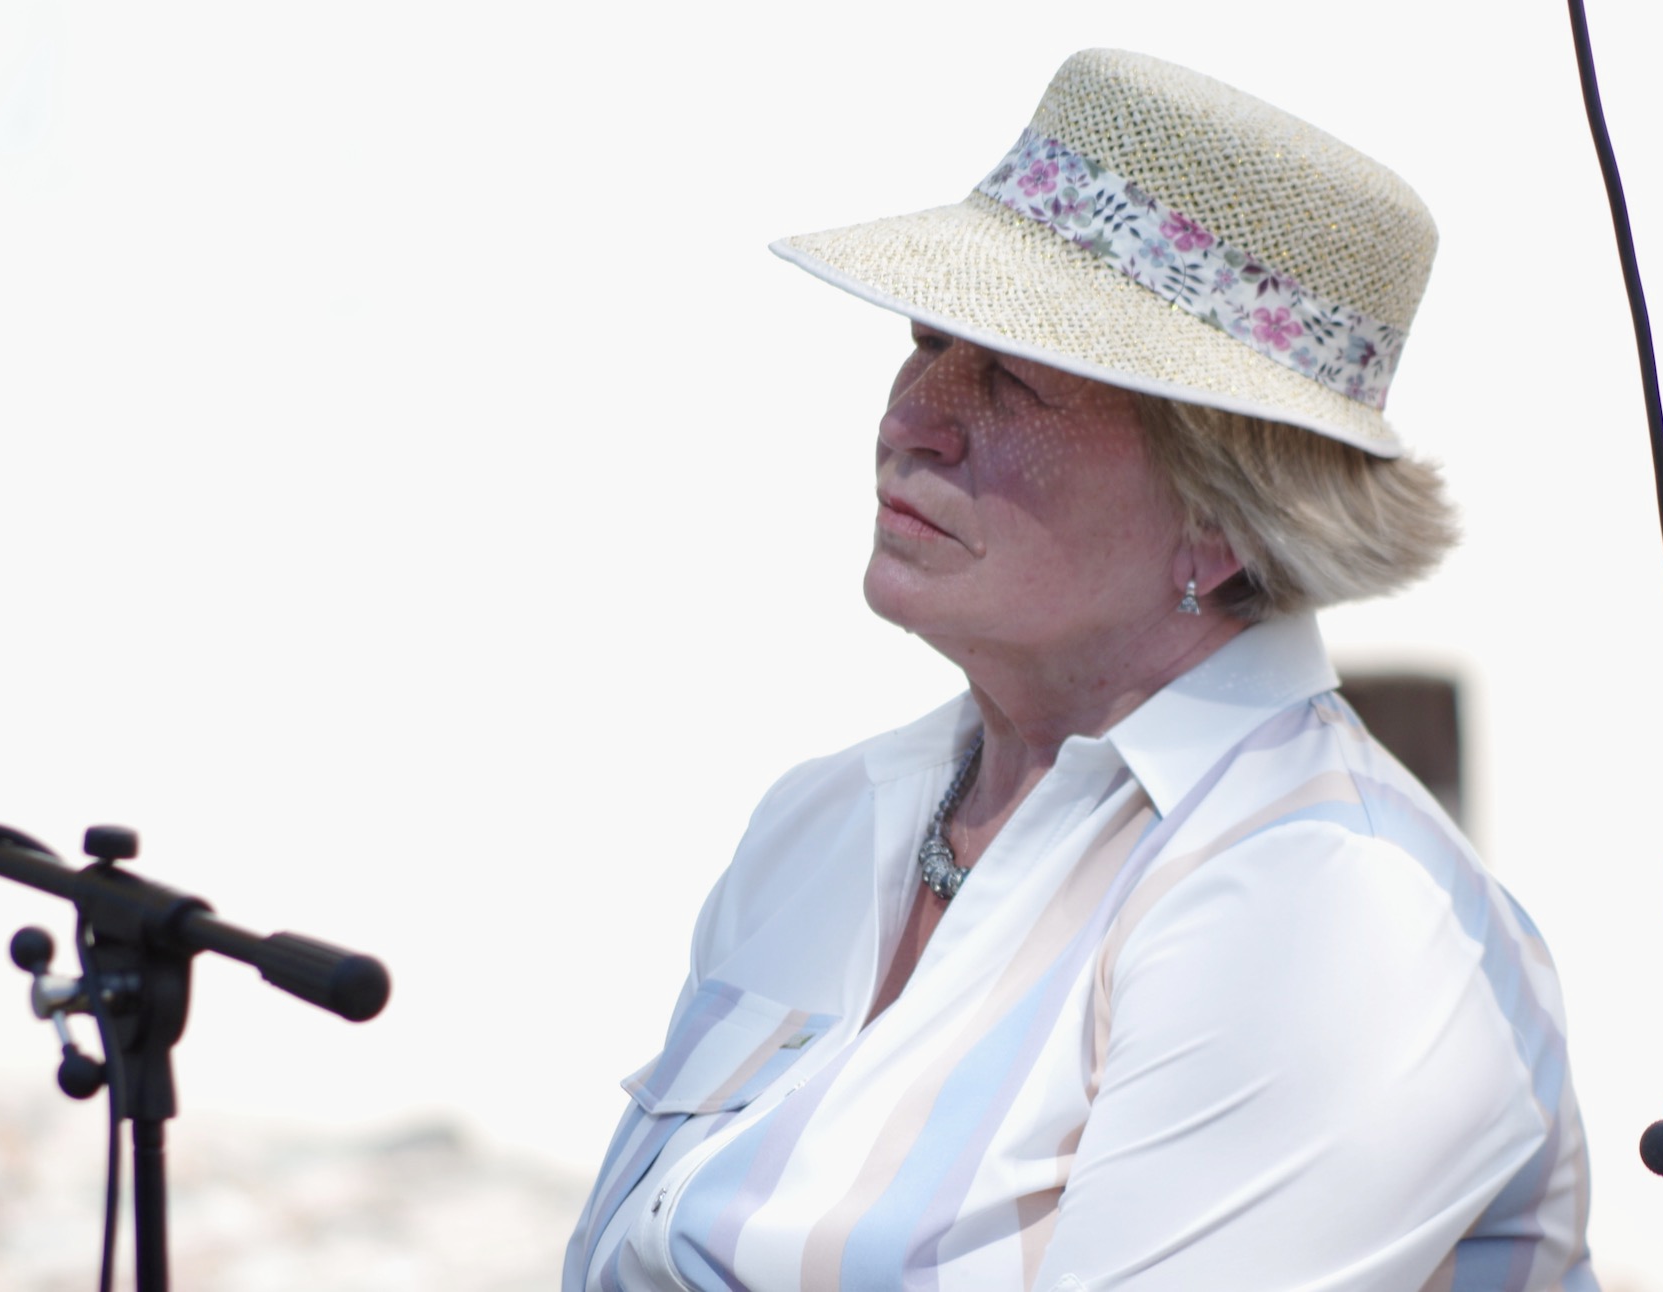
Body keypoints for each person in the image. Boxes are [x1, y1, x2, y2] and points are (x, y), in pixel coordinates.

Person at [567, 49, 1596, 1292]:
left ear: (1224, 518)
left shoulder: (1328, 901)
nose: (913, 415)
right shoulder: (826, 819)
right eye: (926, 337)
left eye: (1015, 379)